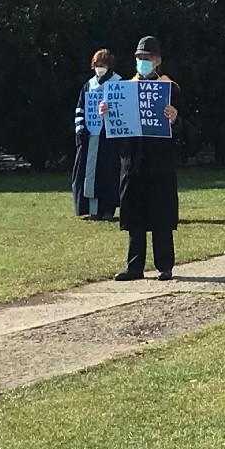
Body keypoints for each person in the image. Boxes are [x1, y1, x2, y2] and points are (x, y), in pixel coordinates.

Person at [112, 35, 183, 281]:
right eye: (139, 58)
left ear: (158, 60)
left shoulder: (170, 88)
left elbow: (189, 128)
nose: (142, 62)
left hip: (160, 162)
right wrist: (106, 112)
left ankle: (165, 265)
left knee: (161, 213)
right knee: (134, 213)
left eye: (147, 58)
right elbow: (116, 125)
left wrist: (175, 118)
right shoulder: (125, 88)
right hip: (133, 161)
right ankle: (134, 267)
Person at [71, 49, 122, 220]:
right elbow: (80, 109)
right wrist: (81, 130)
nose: (100, 69)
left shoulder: (118, 84)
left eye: (103, 65)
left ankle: (107, 210)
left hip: (109, 140)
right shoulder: (89, 85)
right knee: (86, 173)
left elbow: (123, 109)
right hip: (90, 138)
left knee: (108, 175)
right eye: (97, 65)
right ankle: (89, 209)